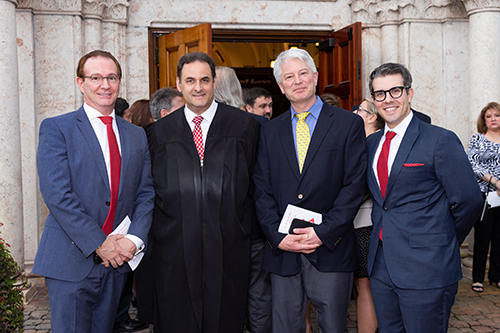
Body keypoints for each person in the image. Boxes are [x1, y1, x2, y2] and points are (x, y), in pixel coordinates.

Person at [33, 50, 154, 333]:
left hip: (117, 263)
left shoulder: (136, 135)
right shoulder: (57, 129)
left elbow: (146, 193)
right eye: (96, 77)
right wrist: (101, 243)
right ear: (80, 83)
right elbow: (58, 195)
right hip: (71, 261)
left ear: (119, 82)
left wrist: (133, 241)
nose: (105, 85)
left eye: (111, 77)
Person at [142, 52, 260, 332]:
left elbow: (256, 187)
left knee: (225, 317)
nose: (198, 87)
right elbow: (148, 191)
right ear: (178, 84)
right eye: (190, 80)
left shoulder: (245, 127)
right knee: (176, 318)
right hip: (174, 248)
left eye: (205, 80)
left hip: (228, 246)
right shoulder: (158, 133)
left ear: (214, 82)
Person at [253, 48, 367, 333]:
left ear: (315, 77)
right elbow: (261, 188)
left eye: (303, 73)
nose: (297, 81)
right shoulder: (269, 131)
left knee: (333, 326)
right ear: (281, 86)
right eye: (289, 77)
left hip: (331, 248)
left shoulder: (347, 124)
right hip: (284, 252)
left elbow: (354, 186)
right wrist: (278, 237)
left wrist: (324, 231)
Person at [366, 62, 482, 332]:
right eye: (380, 94)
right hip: (381, 265)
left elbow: (469, 200)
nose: (388, 100)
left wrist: (441, 240)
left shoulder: (439, 140)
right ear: (373, 100)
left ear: (410, 93)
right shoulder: (371, 144)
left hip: (427, 267)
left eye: (395, 91)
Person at [213, 65, 271, 333]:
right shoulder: (261, 123)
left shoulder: (207, 126)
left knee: (222, 289)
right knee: (258, 288)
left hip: (219, 226)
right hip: (258, 221)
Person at [352, 99, 384, 333]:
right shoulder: (361, 142)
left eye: (359, 110)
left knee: (365, 286)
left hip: (365, 223)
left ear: (372, 117)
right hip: (356, 223)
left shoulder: (372, 145)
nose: (353, 112)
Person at [467, 101, 500, 292]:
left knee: (499, 238)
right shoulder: (477, 140)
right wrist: (495, 182)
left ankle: (496, 276)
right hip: (485, 194)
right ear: (484, 121)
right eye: (489, 116)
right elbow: (473, 165)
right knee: (482, 237)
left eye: (496, 115)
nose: (493, 119)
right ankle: (477, 278)